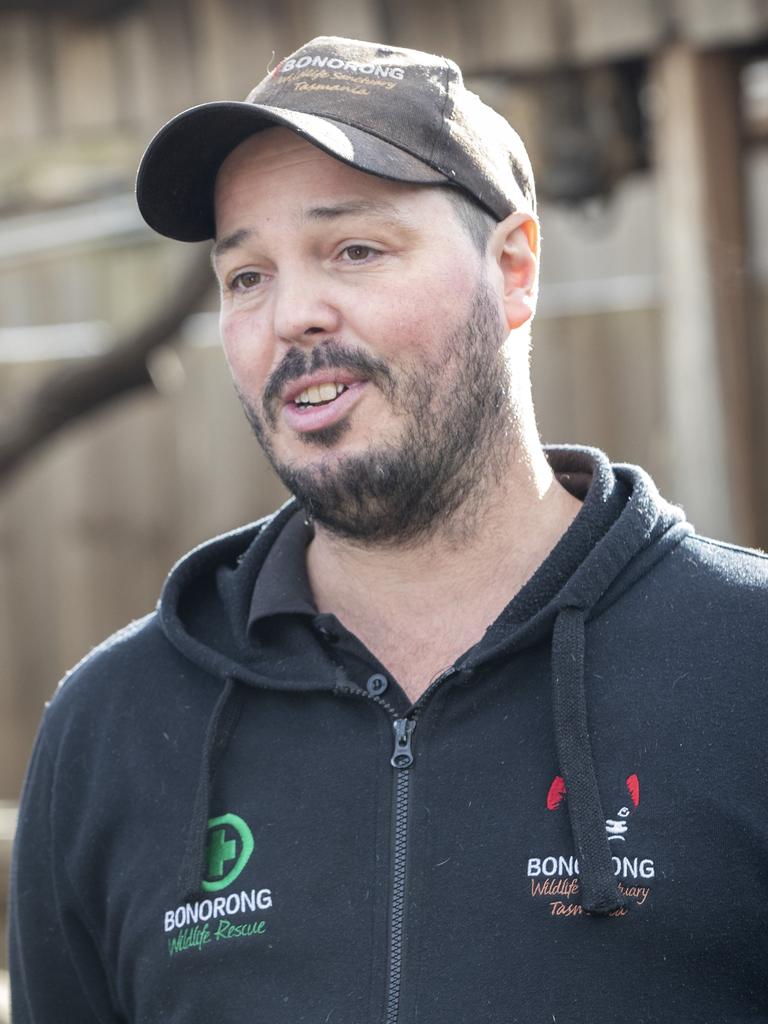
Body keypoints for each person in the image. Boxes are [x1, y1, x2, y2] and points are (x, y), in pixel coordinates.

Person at [9, 34, 768, 1024]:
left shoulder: (743, 668)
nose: (293, 315)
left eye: (353, 249)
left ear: (514, 269)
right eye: (246, 276)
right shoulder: (112, 729)